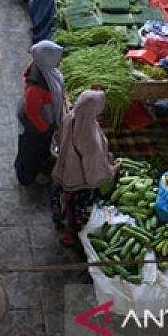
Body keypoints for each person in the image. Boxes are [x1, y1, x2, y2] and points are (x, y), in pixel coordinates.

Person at [52, 89, 116, 246]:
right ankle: (69, 235)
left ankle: (59, 215)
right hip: (79, 179)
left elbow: (61, 139)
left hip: (66, 169)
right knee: (76, 208)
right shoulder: (89, 138)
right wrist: (111, 169)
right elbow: (93, 168)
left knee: (65, 198)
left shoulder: (71, 118)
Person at [15, 40, 65, 186]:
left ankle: (37, 168)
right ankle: (27, 176)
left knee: (39, 149)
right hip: (34, 126)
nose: (60, 60)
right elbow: (32, 113)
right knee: (30, 152)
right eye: (57, 57)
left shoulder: (44, 69)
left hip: (41, 122)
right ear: (48, 59)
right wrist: (45, 129)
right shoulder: (36, 86)